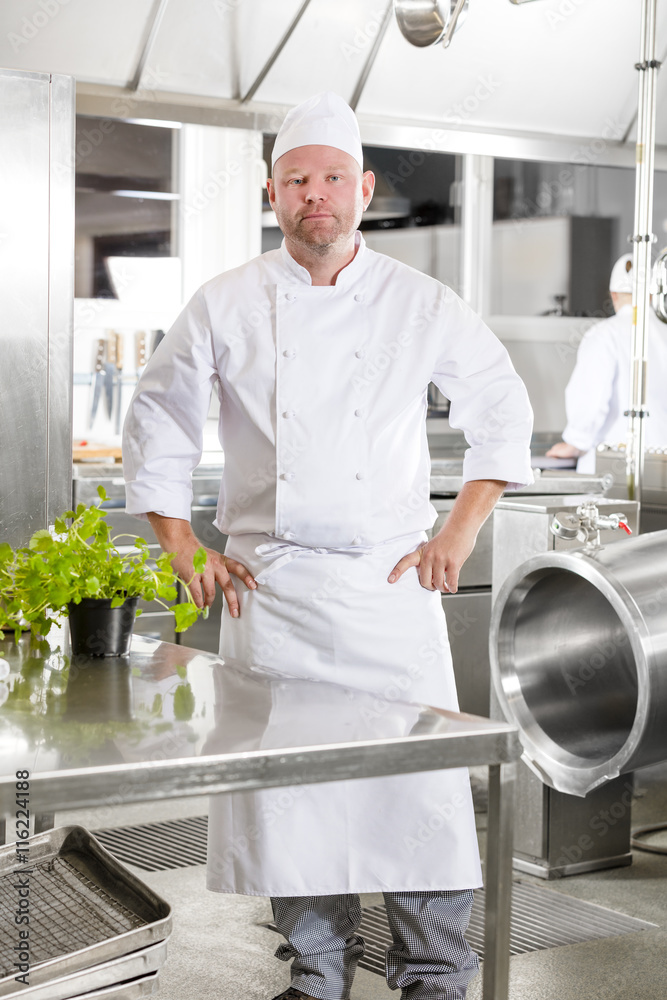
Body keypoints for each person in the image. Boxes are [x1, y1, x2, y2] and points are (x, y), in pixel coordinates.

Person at [123, 92, 533, 1000]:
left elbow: (501, 411)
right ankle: (316, 976)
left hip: (387, 587)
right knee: (291, 802)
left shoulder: (420, 302)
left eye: (333, 178)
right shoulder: (225, 303)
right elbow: (158, 419)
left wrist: (457, 529)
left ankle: (435, 977)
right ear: (274, 194)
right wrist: (184, 544)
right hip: (271, 590)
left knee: (415, 794)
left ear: (365, 188)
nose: (317, 195)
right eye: (298, 179)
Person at [547, 253, 667, 474]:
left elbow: (590, 396)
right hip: (661, 466)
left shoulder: (604, 335)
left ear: (613, 295)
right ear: (651, 294)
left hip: (616, 465)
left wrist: (575, 442)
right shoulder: (664, 332)